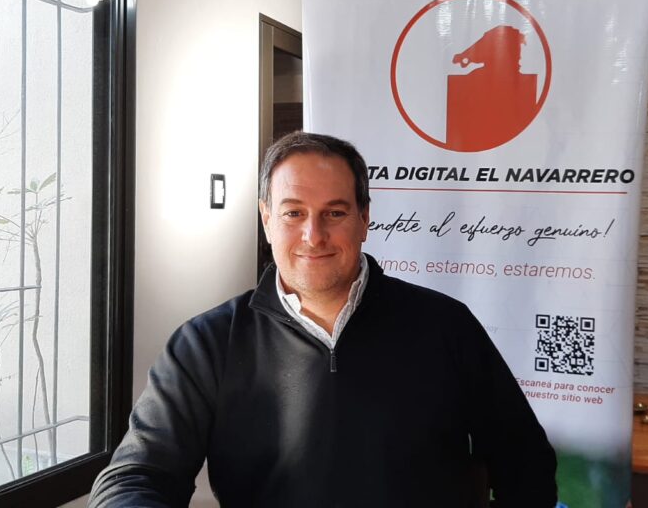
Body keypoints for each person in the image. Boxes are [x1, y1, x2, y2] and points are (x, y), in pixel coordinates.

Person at [89, 132, 557, 507]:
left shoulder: (446, 326)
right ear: (266, 219)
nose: (314, 235)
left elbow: (525, 459)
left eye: (335, 212)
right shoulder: (207, 343)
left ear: (364, 219)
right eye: (294, 213)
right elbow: (137, 474)